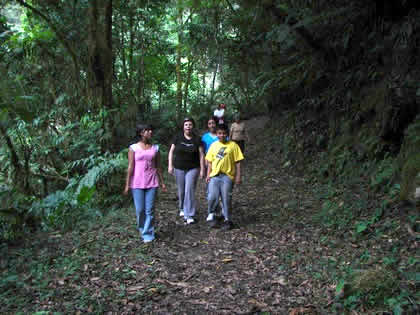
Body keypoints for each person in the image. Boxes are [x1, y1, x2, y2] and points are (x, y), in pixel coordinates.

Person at [124, 124, 166, 243]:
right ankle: (142, 229)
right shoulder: (133, 148)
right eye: (147, 130)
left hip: (152, 182)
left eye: (150, 130)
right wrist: (127, 184)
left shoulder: (155, 148)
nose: (150, 132)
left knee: (150, 210)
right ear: (141, 133)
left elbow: (158, 166)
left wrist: (162, 182)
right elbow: (130, 166)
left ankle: (148, 233)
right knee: (140, 210)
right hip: (137, 183)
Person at [206, 123, 244, 230]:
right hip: (215, 175)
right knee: (212, 196)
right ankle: (213, 215)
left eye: (224, 133)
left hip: (227, 176)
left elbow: (238, 162)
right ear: (217, 134)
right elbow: (209, 161)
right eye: (219, 133)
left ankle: (227, 219)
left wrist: (238, 176)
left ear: (227, 134)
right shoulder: (214, 145)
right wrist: (208, 174)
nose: (221, 135)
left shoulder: (233, 145)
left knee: (226, 197)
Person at [168, 117, 205, 224]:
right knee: (181, 190)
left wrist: (202, 169)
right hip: (178, 167)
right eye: (186, 125)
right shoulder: (178, 137)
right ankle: (182, 208)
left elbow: (201, 155)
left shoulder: (197, 139)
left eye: (190, 124)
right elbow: (171, 152)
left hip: (193, 168)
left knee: (189, 190)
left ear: (193, 126)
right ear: (183, 127)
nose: (188, 126)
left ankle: (189, 215)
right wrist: (170, 165)